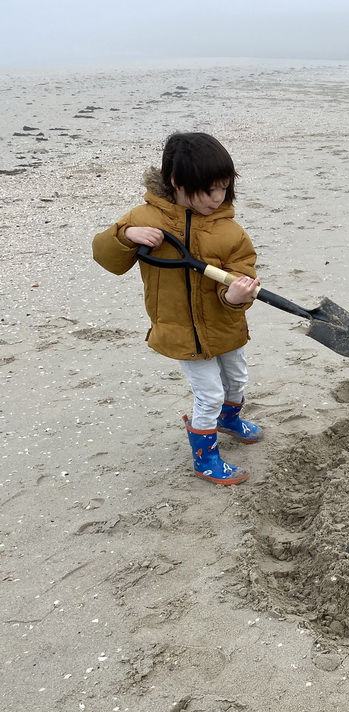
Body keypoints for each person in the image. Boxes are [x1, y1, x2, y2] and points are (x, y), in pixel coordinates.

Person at [93, 132, 263, 485]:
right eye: (208, 190)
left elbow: (242, 270)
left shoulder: (229, 230)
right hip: (181, 329)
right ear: (176, 182)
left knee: (236, 379)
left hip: (225, 324)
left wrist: (235, 297)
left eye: (224, 189)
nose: (217, 198)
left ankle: (229, 419)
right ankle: (206, 458)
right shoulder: (144, 217)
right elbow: (106, 257)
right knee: (209, 393)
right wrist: (127, 237)